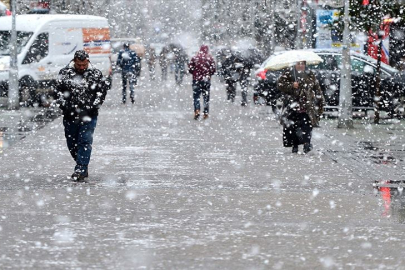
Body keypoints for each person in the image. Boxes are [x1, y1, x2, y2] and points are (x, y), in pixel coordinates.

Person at [54, 50, 109, 181]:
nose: (81, 67)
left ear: (88, 61)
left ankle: (81, 168)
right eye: (79, 65)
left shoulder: (95, 74)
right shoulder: (65, 73)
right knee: (72, 143)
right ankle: (81, 162)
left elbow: (101, 93)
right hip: (70, 115)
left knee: (85, 141)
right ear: (74, 62)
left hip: (89, 115)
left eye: (84, 64)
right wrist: (65, 106)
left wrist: (92, 107)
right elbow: (57, 92)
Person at [277, 61, 324, 154]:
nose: (301, 65)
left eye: (302, 64)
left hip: (306, 105)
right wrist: (291, 86)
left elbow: (317, 88)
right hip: (292, 105)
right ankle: (295, 145)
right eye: (298, 64)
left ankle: (307, 144)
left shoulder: (310, 74)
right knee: (293, 126)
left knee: (307, 125)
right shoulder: (288, 73)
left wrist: (320, 101)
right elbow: (280, 85)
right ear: (295, 64)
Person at [188, 45, 216, 120]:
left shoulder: (195, 57)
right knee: (206, 97)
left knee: (196, 96)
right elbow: (213, 69)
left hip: (196, 79)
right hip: (206, 80)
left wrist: (195, 73)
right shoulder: (210, 58)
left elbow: (190, 69)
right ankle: (206, 113)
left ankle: (197, 110)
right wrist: (208, 74)